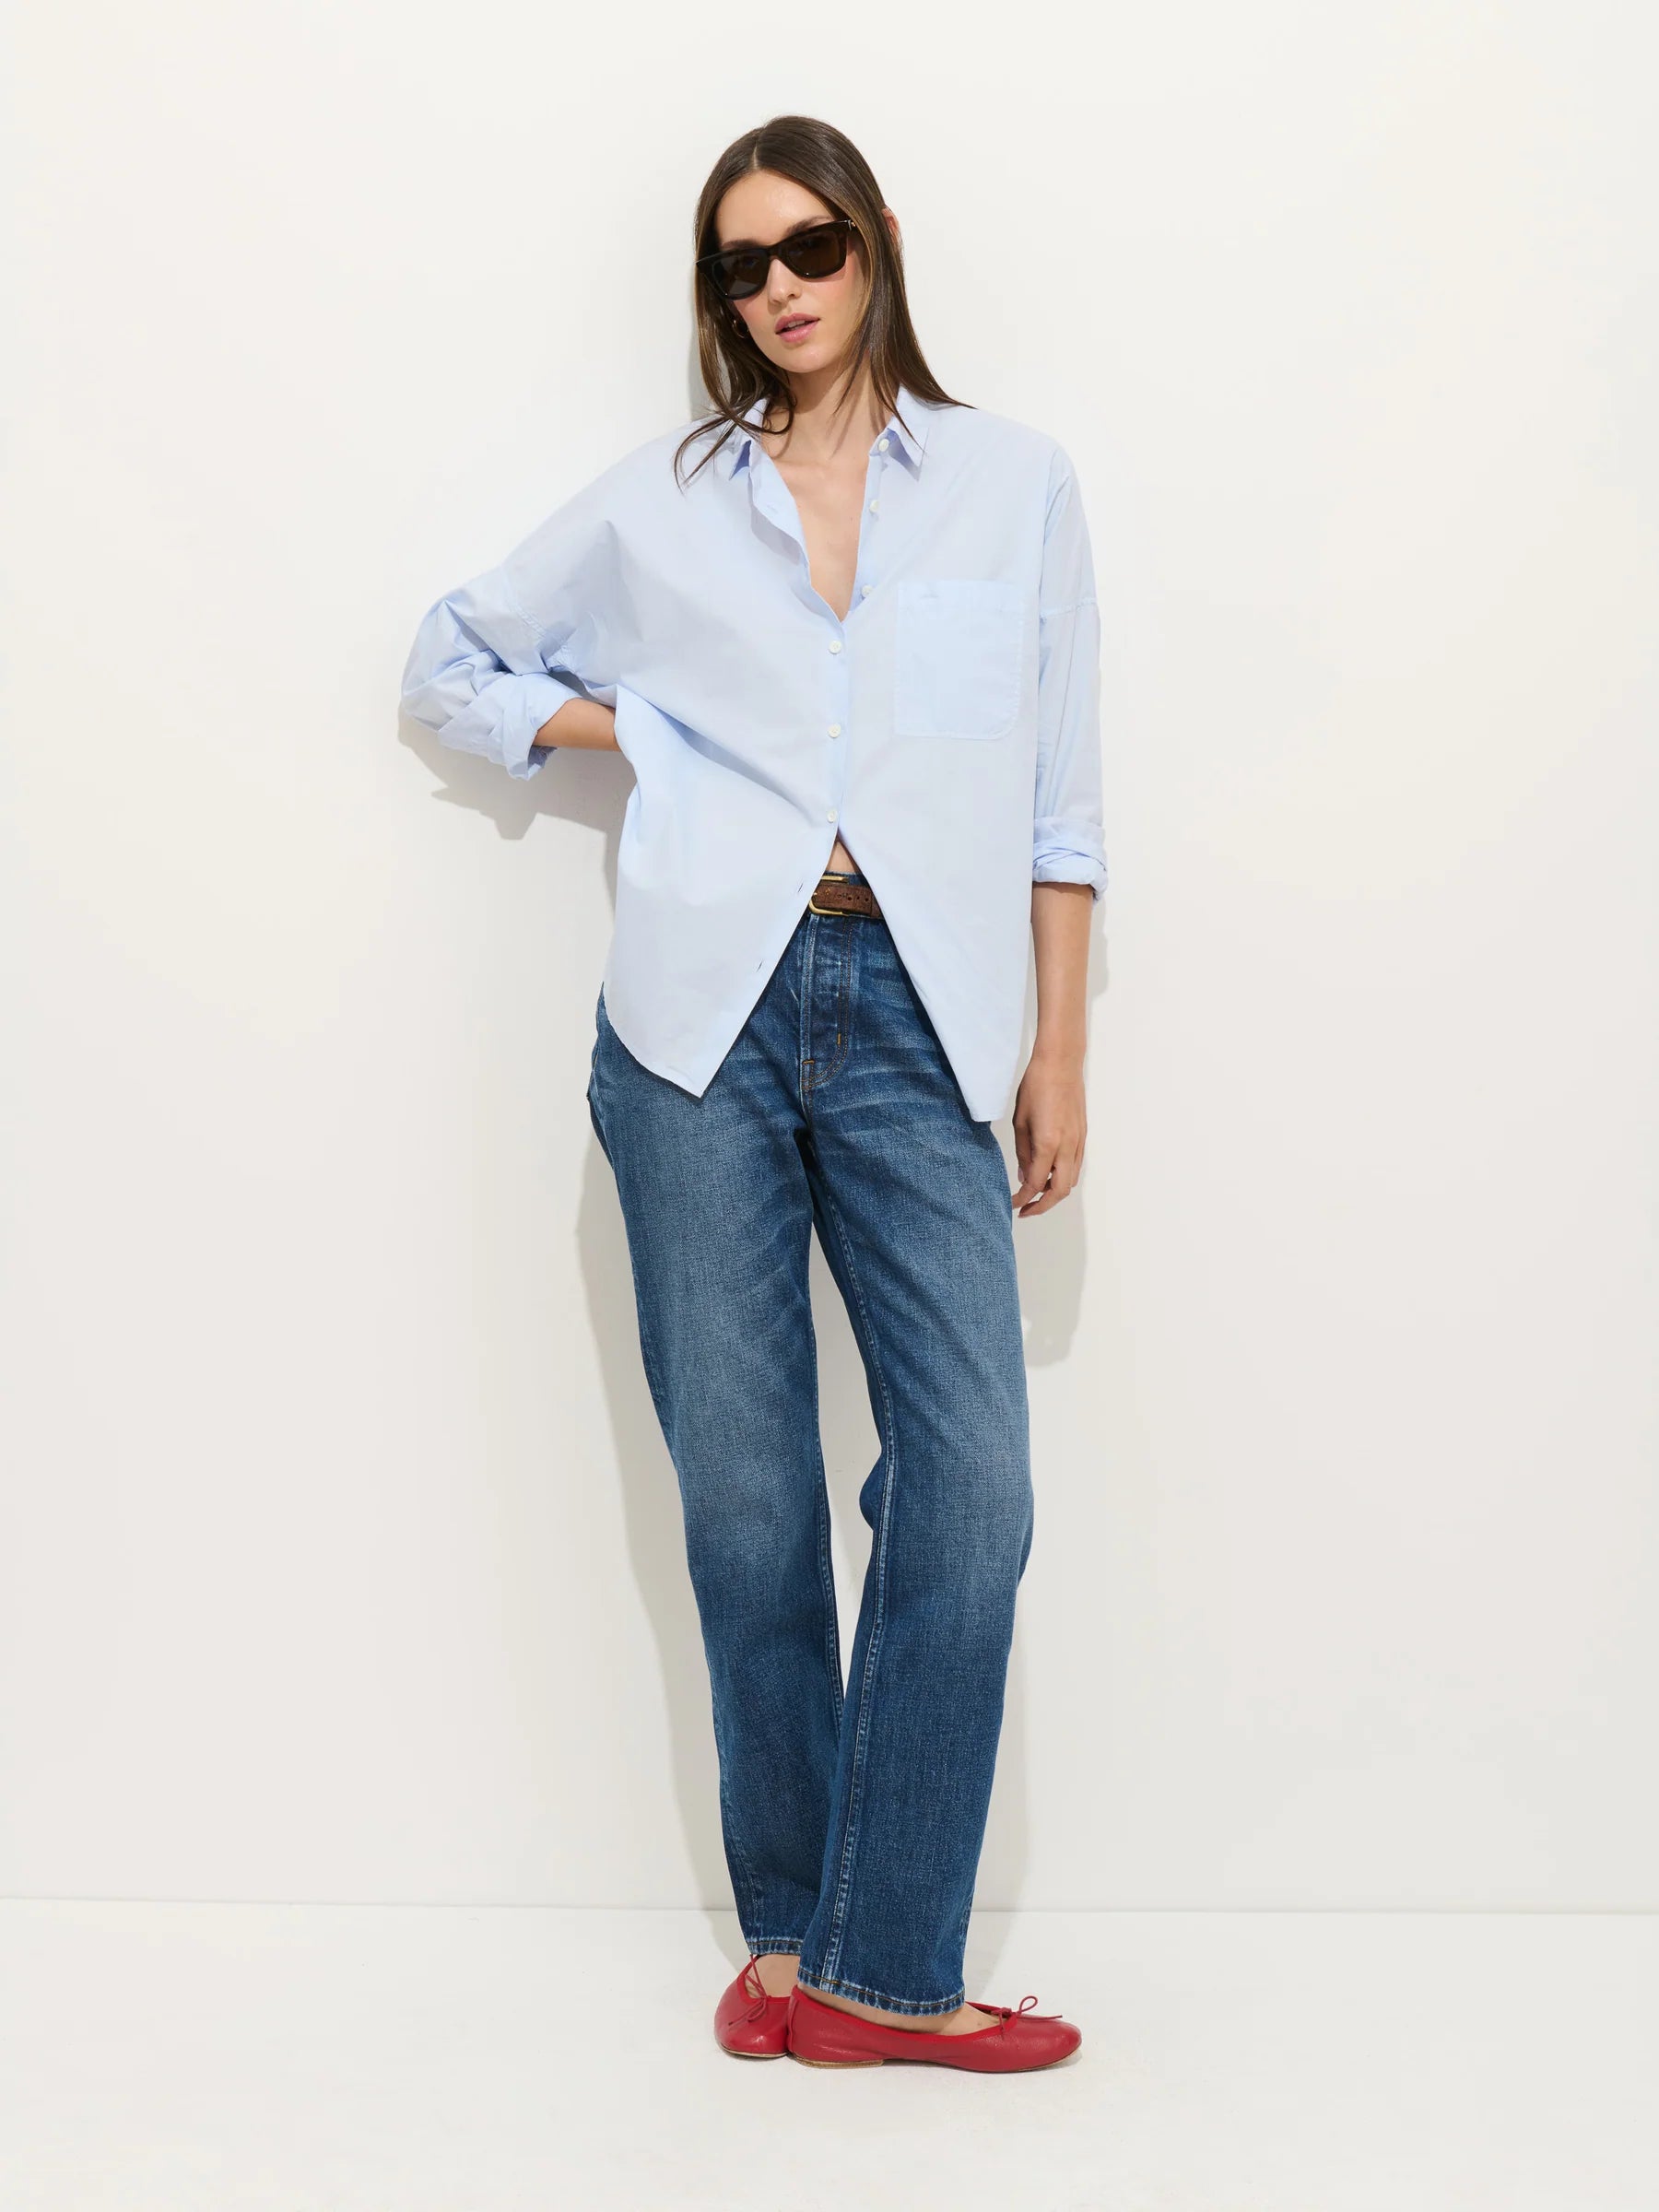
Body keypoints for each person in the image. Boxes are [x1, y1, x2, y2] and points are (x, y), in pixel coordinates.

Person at [400, 113, 1104, 2075]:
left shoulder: (1016, 486)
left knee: (972, 1493)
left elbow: (1059, 805)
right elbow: (448, 661)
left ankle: (879, 1958)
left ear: (875, 241)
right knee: (744, 1501)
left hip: (924, 1017)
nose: (778, 287)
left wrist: (1058, 1050)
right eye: (739, 265)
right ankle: (805, 1951)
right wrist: (637, 728)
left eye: (808, 246)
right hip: (696, 1023)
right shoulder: (669, 502)